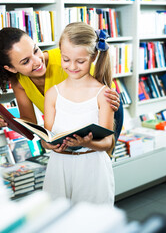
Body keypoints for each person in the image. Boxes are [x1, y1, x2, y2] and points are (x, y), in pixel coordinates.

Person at [0, 27, 123, 151]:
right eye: (26, 61)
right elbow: (30, 121)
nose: (37, 61)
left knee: (98, 156)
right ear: (11, 68)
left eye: (36, 50)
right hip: (70, 127)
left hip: (101, 113)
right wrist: (8, 121)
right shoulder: (18, 81)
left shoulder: (67, 61)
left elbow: (100, 91)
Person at [42, 22, 115, 205]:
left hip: (91, 168)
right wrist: (48, 145)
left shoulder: (104, 94)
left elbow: (108, 142)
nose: (72, 66)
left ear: (93, 57)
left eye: (80, 61)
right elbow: (46, 136)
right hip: (59, 167)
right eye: (66, 59)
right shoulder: (52, 93)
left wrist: (88, 142)